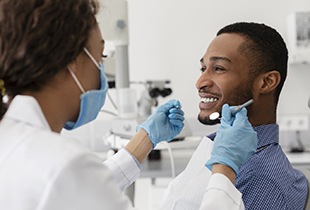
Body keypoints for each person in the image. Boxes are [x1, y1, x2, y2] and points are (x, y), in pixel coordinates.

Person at [0, 0, 258, 209]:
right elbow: (75, 185)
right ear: (72, 61)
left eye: (219, 68)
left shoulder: (14, 143)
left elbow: (79, 191)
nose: (201, 81)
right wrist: (224, 169)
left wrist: (145, 138)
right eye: (101, 56)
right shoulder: (65, 166)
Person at [159, 22, 308, 210]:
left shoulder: (263, 181)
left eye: (219, 68)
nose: (200, 82)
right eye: (203, 68)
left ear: (267, 82)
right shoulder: (220, 150)